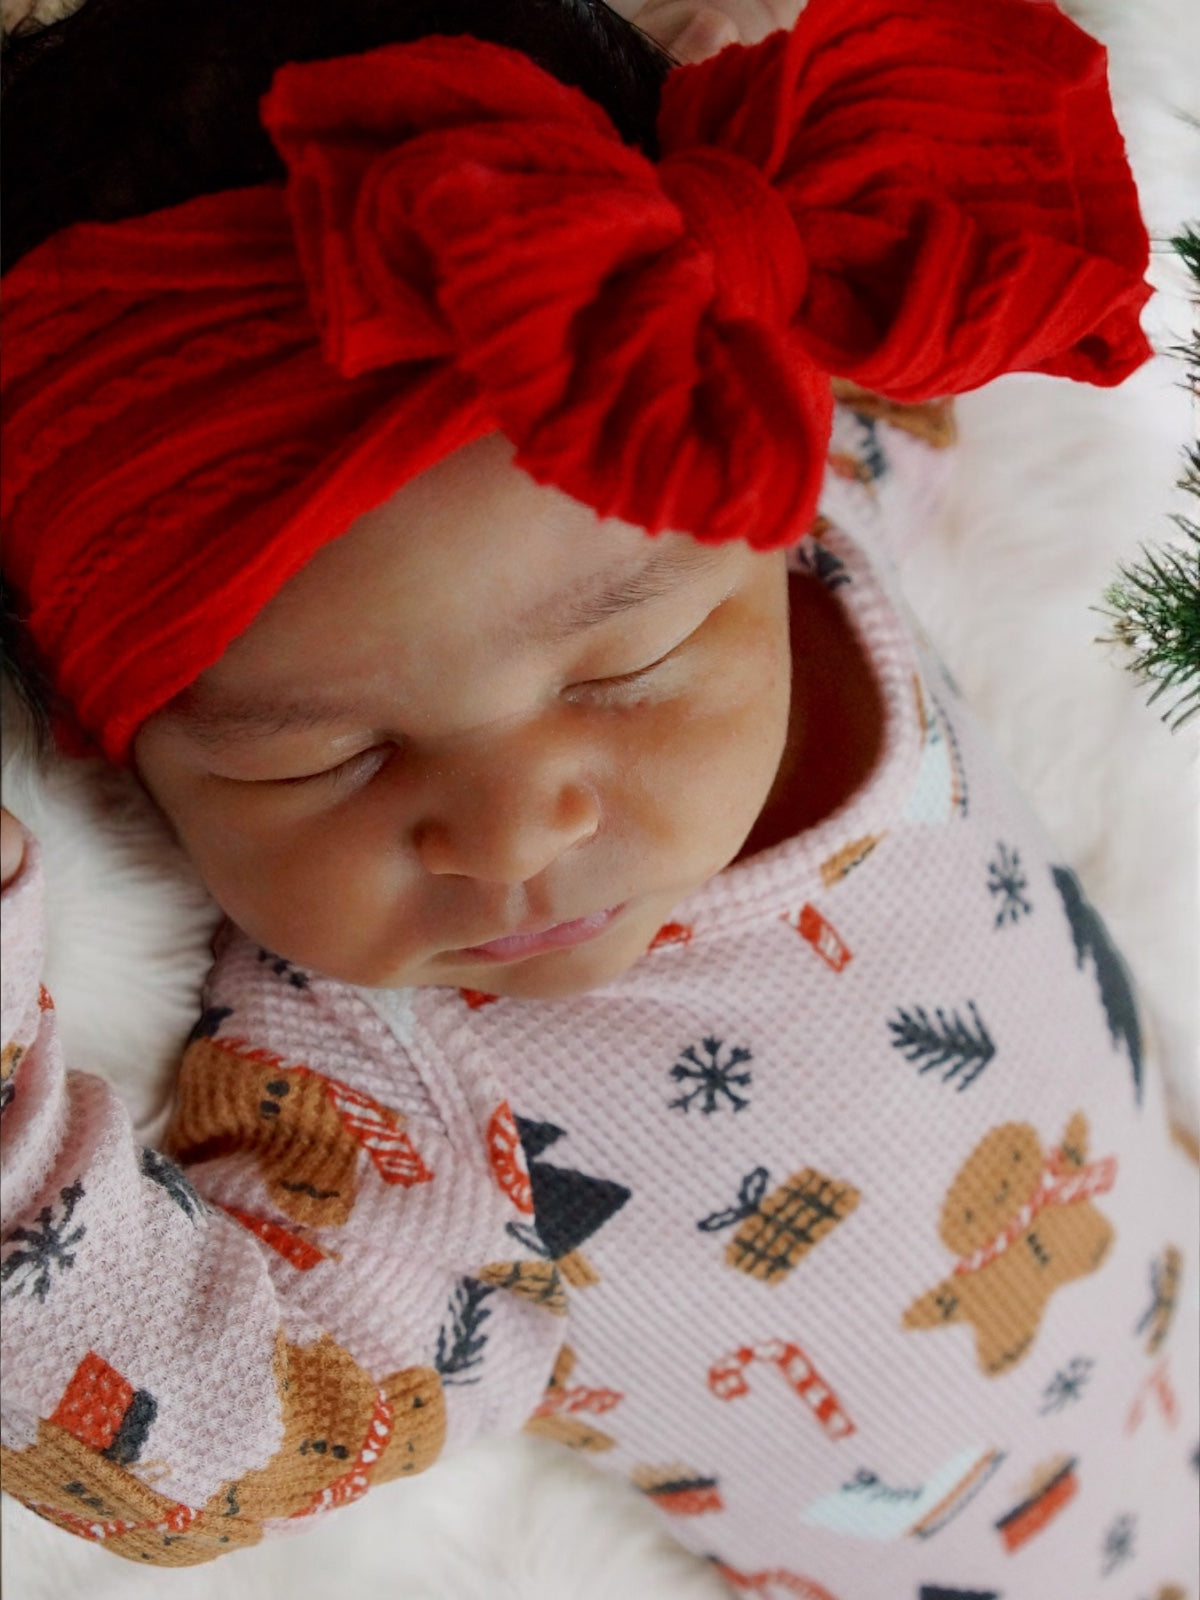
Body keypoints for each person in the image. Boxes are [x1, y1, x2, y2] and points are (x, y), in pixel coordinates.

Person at [1, 0, 1196, 1590]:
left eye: (625, 665)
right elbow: (200, 1445)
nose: (512, 832)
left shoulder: (813, 494)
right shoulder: (389, 1099)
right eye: (316, 755)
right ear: (111, 742)